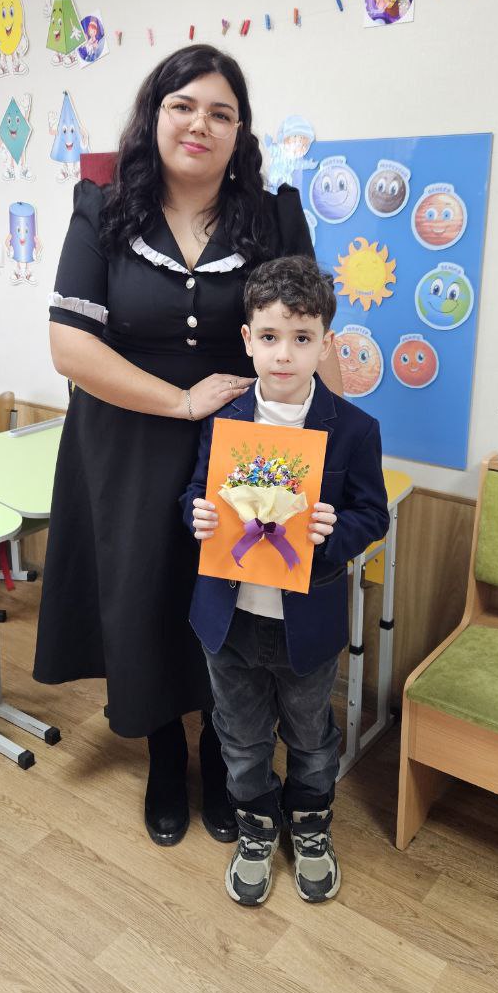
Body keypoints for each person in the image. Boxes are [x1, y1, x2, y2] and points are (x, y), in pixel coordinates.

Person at [33, 43, 343, 850]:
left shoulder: (272, 217)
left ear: (239, 132)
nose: (199, 124)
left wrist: (336, 440)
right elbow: (69, 346)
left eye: (220, 112)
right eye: (183, 106)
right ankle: (166, 756)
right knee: (146, 597)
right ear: (155, 115)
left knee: (229, 600)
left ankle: (220, 751)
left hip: (247, 446)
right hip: (127, 442)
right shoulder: (103, 210)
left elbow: (311, 333)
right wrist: (178, 400)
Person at [181, 255, 389, 905]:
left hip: (306, 626)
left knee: (310, 736)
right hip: (230, 621)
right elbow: (195, 491)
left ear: (324, 343)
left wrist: (337, 529)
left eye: (302, 338)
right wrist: (196, 513)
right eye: (270, 337)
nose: (284, 353)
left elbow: (372, 513)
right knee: (240, 736)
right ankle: (255, 827)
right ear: (248, 339)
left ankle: (310, 823)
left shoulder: (353, 429)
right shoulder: (225, 421)